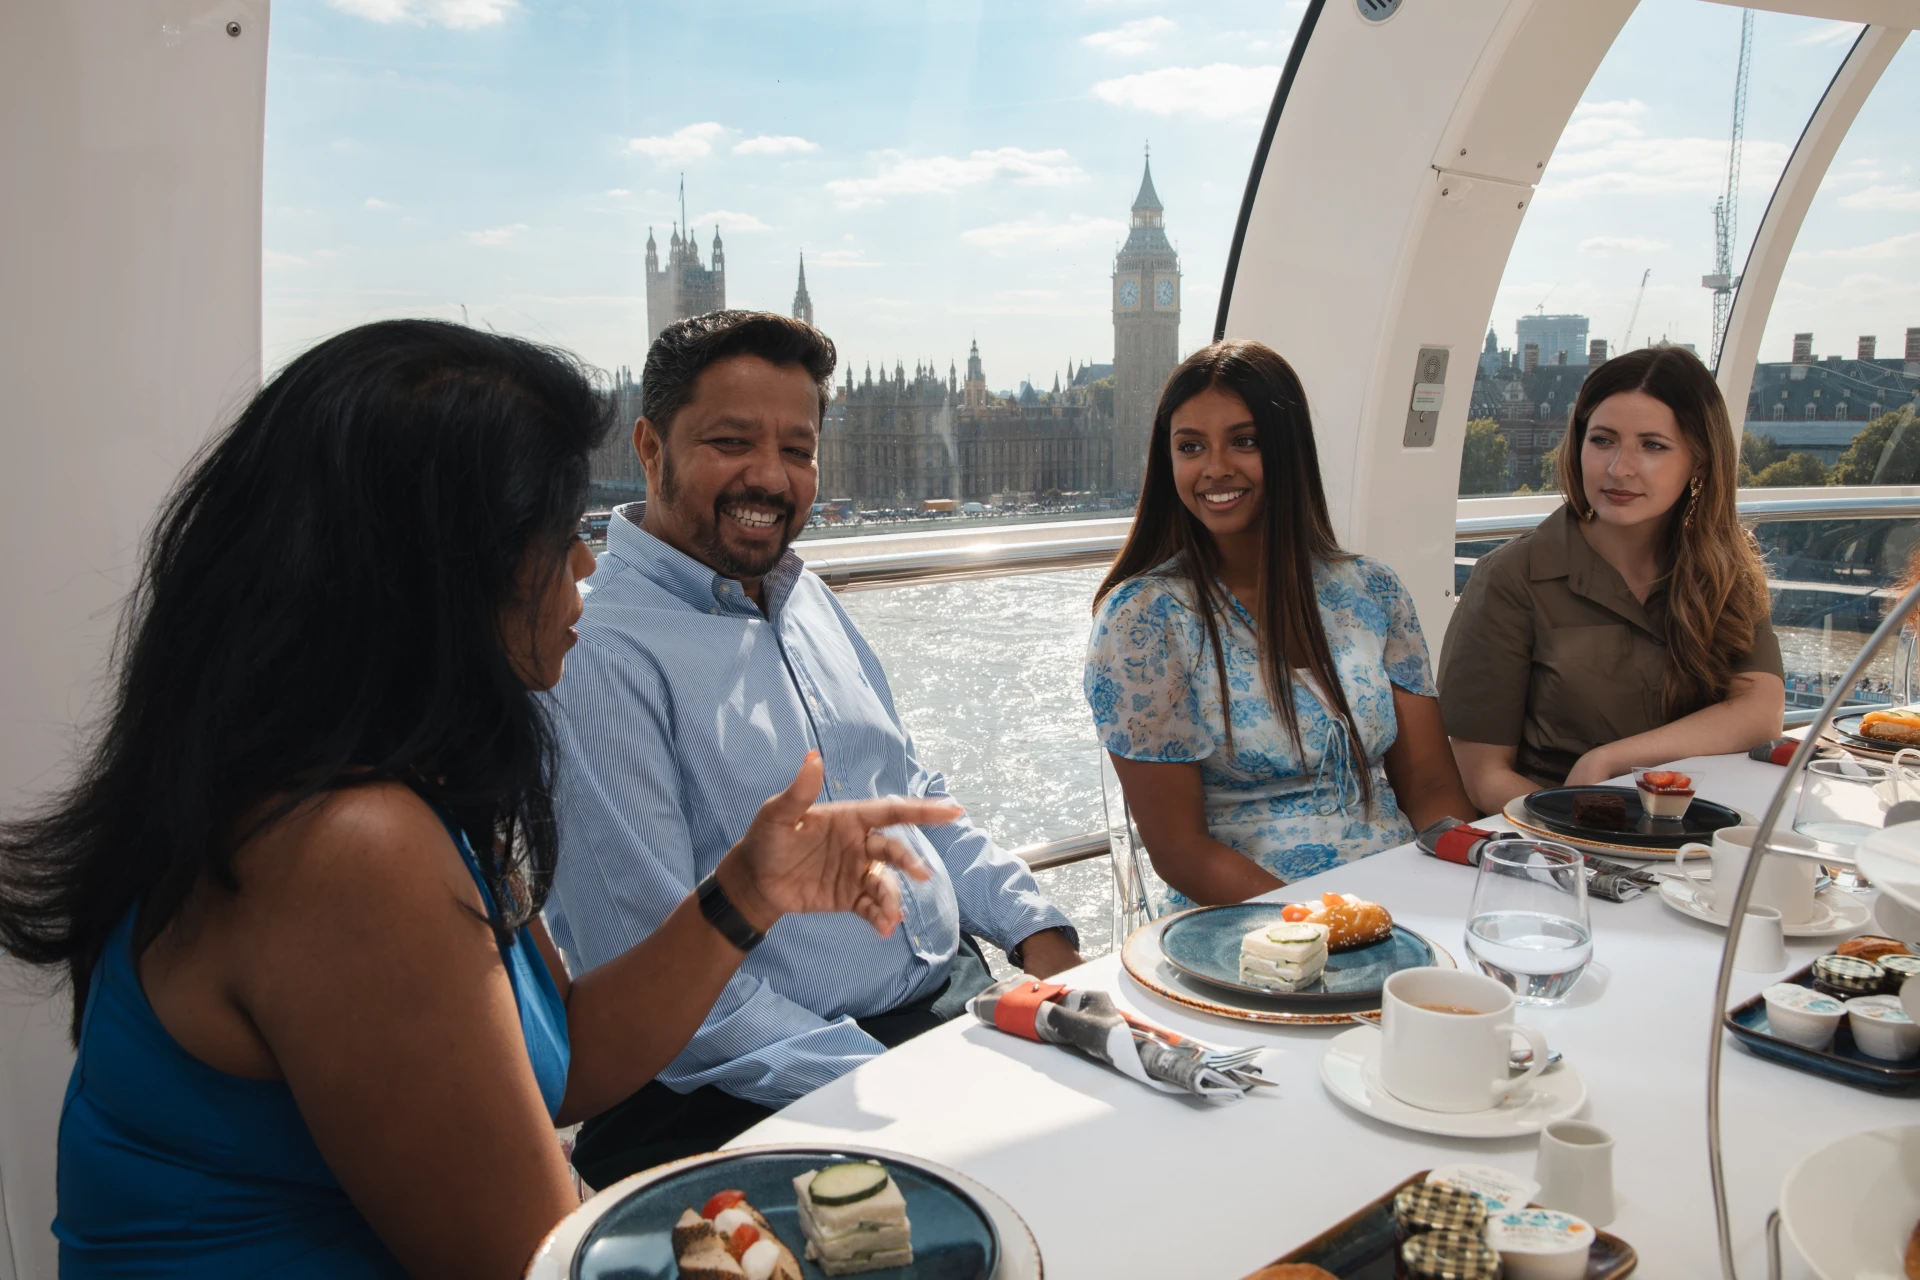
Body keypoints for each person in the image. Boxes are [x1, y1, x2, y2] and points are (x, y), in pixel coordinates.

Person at [0, 320, 961, 1280]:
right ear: (439, 567)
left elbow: (568, 1055)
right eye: (559, 531)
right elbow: (531, 1261)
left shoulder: (409, 792)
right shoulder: (345, 847)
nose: (588, 563)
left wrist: (744, 893)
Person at [545, 310, 1082, 1188]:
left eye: (798, 450)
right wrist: (904, 1092)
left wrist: (1040, 932)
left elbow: (913, 792)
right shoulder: (600, 655)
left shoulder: (805, 592)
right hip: (755, 1091)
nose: (771, 476)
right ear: (649, 445)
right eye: (731, 441)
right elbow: (672, 1000)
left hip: (950, 1006)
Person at [1084, 340, 1475, 905]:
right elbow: (1181, 851)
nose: (1215, 469)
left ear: (1289, 451)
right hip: (1251, 927)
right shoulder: (1144, 621)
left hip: (1404, 900)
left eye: (1244, 442)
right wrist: (1329, 928)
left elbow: (1434, 790)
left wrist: (1471, 887)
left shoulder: (1374, 589)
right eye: (1190, 447)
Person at [1440, 345, 1784, 814]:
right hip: (1559, 842)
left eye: (1653, 446)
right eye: (1602, 440)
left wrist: (1611, 758)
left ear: (1699, 461)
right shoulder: (1510, 579)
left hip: (1706, 827)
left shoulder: (1726, 568)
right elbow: (1481, 777)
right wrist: (1587, 826)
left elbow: (1760, 712)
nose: (1619, 468)